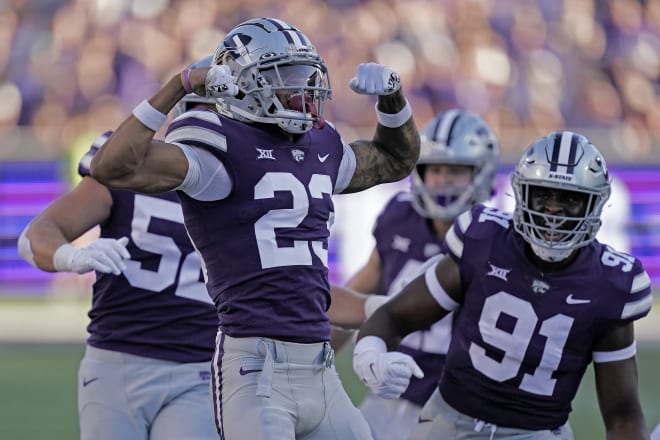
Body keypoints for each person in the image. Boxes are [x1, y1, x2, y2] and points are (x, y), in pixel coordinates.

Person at [89, 17, 420, 440]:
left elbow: (395, 161)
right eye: (286, 77)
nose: (304, 89)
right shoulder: (217, 146)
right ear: (243, 84)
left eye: (305, 74)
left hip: (320, 364)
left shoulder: (320, 146)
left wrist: (393, 100)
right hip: (254, 366)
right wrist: (180, 84)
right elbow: (112, 167)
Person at [353, 130, 652, 439]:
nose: (553, 209)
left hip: (536, 433)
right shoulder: (485, 241)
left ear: (594, 205)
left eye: (570, 198)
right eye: (543, 193)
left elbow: (622, 415)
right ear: (522, 193)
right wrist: (371, 355)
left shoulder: (612, 284)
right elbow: (394, 316)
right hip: (449, 422)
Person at [16, 60, 221, 439]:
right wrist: (70, 257)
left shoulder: (256, 178)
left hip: (202, 365)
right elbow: (36, 235)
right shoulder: (129, 166)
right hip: (119, 361)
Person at [342, 109, 499, 440]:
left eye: (455, 171)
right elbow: (362, 290)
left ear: (480, 173)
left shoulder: (496, 239)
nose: (442, 180)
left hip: (458, 406)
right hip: (391, 390)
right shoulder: (399, 217)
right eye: (435, 169)